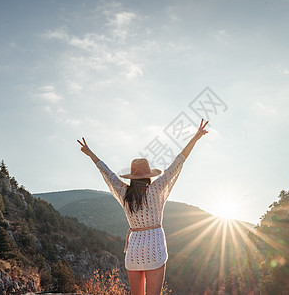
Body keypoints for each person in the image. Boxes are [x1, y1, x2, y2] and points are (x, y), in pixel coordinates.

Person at [77, 119, 209, 295]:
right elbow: (178, 162)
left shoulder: (125, 193)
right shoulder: (157, 189)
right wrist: (195, 137)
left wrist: (89, 152)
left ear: (131, 177)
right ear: (148, 176)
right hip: (154, 247)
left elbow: (106, 172)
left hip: (133, 250)